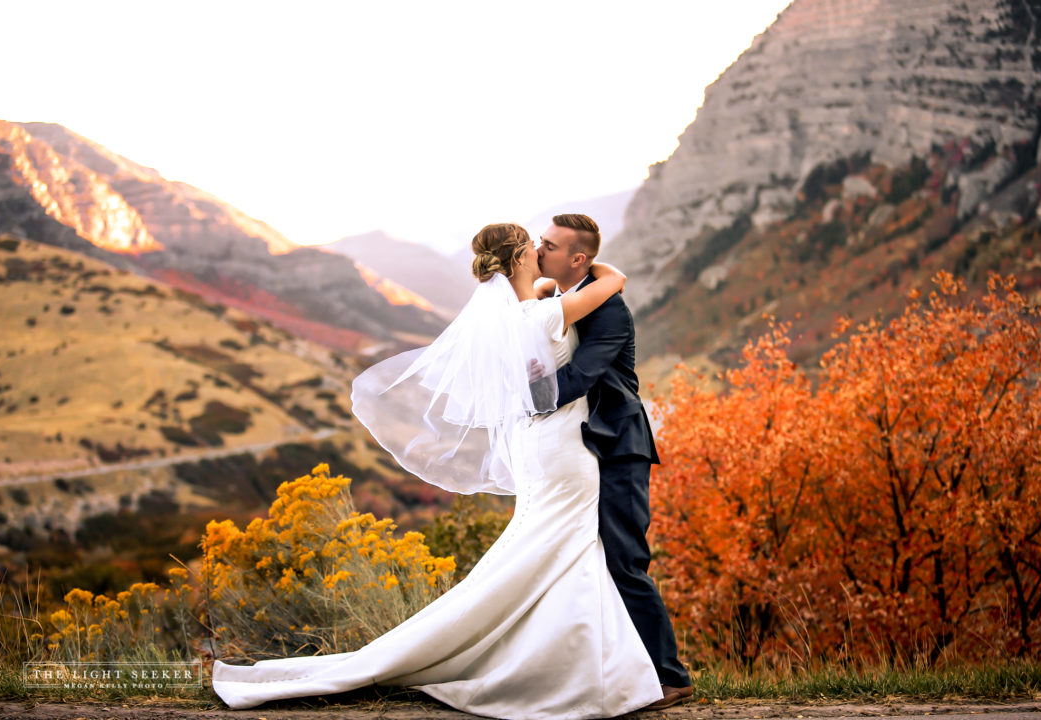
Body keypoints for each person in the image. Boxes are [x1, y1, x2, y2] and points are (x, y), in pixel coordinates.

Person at [211, 223, 665, 719]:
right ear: (517, 262)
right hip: (560, 442)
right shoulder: (543, 312)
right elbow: (607, 287)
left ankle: (583, 660)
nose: (540, 249)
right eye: (535, 245)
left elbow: (546, 297)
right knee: (570, 546)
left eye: (548, 244)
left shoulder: (514, 311)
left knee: (552, 547)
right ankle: (585, 669)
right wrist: (608, 274)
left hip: (538, 441)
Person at [536, 214, 692, 710]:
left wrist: (515, 400)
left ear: (577, 259)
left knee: (626, 559)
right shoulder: (569, 294)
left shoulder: (609, 309)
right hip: (589, 443)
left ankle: (671, 677)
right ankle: (616, 669)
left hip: (620, 444)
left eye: (550, 245)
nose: (540, 250)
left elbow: (579, 378)